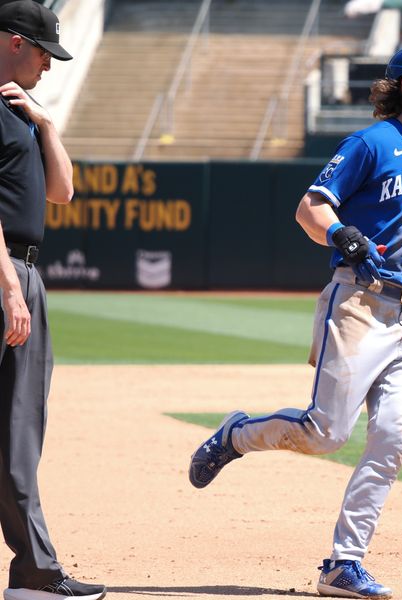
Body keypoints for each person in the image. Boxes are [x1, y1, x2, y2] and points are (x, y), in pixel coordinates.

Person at [188, 41, 402, 600]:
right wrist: (340, 233)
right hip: (359, 306)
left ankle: (342, 563)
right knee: (325, 435)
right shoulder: (370, 144)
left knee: (394, 439)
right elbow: (311, 207)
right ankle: (237, 434)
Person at [0, 2, 106, 600]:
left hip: (22, 272)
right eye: (44, 52)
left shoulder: (21, 112)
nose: (49, 65)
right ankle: (36, 569)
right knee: (13, 424)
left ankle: (34, 572)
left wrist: (47, 126)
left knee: (19, 427)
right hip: (5, 271)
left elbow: (62, 192)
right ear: (16, 42)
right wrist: (9, 286)